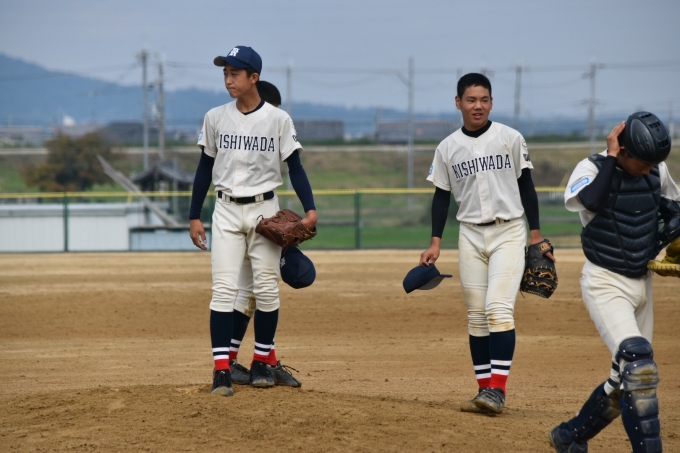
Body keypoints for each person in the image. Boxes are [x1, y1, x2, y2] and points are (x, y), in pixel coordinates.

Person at [419, 72, 553, 415]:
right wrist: (435, 242)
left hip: (508, 231)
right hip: (470, 234)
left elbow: (527, 186)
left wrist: (536, 235)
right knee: (477, 316)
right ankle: (484, 390)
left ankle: (498, 391)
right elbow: (441, 197)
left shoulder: (510, 138)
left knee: (498, 309)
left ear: (491, 102)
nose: (477, 106)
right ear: (458, 103)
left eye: (484, 99)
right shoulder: (447, 148)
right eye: (471, 100)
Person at [188, 46, 317, 396]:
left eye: (235, 73)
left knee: (266, 288)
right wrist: (194, 215)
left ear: (254, 77)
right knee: (224, 290)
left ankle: (262, 361)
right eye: (225, 73)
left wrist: (310, 209)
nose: (228, 79)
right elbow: (204, 169)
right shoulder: (215, 117)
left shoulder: (279, 119)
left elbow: (296, 167)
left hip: (264, 211)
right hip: (226, 209)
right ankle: (221, 371)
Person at [550, 112, 676, 453]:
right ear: (623, 150)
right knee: (638, 365)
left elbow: (674, 207)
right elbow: (589, 201)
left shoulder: (656, 169)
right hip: (605, 282)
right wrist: (610, 157)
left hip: (642, 283)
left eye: (653, 164)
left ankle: (569, 436)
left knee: (627, 380)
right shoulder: (591, 168)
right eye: (643, 163)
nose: (649, 170)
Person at [227, 80, 304, 388]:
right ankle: (258, 362)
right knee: (256, 292)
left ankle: (260, 362)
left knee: (253, 293)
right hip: (245, 220)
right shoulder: (247, 133)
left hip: (261, 218)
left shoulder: (267, 132)